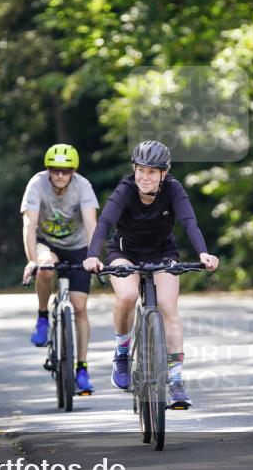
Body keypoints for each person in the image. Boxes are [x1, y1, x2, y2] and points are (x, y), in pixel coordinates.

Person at [83, 140, 219, 410]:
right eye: (140, 170)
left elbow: (189, 222)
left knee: (169, 307)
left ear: (163, 174)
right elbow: (105, 223)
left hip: (162, 253)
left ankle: (177, 383)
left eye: (152, 171)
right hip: (125, 253)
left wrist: (204, 253)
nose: (144, 177)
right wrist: (92, 255)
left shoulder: (173, 189)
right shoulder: (125, 189)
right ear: (134, 169)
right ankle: (122, 354)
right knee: (128, 296)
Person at [20, 143, 100, 394]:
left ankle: (82, 369)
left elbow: (91, 223)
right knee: (45, 267)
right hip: (48, 244)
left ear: (73, 171)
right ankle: (43, 316)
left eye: (66, 171)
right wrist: (32, 259)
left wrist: (94, 256)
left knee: (79, 307)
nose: (60, 175)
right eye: (55, 170)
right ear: (48, 170)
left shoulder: (83, 186)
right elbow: (29, 224)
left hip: (78, 246)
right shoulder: (37, 184)